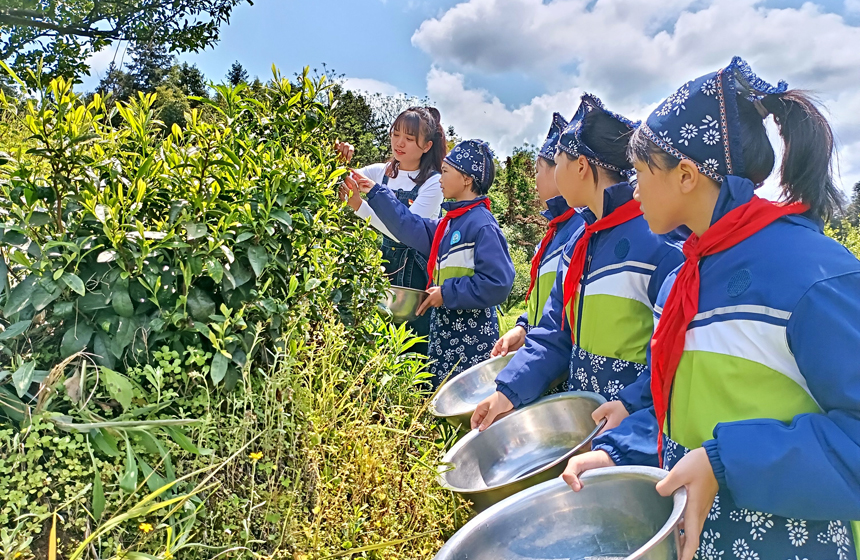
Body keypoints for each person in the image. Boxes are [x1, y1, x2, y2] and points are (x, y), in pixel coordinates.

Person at [561, 57, 860, 560]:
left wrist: (728, 463)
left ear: (685, 175)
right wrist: (621, 447)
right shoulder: (686, 274)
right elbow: (685, 409)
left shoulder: (812, 275)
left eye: (639, 172)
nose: (632, 189)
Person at [471, 94, 684, 430]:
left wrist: (631, 410)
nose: (554, 175)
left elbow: (673, 359)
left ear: (581, 166)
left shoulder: (659, 243)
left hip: (632, 429)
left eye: (558, 160)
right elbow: (555, 332)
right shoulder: (578, 245)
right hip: (583, 420)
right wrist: (508, 392)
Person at [346, 139, 515, 387]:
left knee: (467, 405)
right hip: (444, 335)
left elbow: (499, 283)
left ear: (467, 179)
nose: (439, 179)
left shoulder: (482, 224)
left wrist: (446, 293)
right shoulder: (448, 224)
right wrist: (374, 192)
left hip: (470, 341)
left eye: (446, 172)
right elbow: (408, 225)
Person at [337, 106, 446, 356]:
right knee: (376, 341)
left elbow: (405, 231)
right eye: (396, 134)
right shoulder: (379, 172)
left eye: (409, 138)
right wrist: (339, 159)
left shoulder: (434, 183)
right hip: (381, 265)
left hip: (417, 275)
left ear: (427, 146)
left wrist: (358, 206)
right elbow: (338, 179)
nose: (400, 143)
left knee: (414, 347)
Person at [492, 113, 584, 357]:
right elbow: (545, 301)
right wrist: (523, 327)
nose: (534, 182)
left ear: (559, 171)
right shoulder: (555, 232)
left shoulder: (580, 231)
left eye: (537, 171)